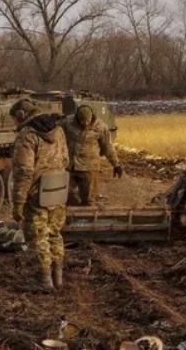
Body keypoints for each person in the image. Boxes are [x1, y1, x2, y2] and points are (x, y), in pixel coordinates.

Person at [8, 98, 70, 291]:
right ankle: (58, 278)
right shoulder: (58, 130)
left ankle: (44, 281)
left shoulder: (27, 135)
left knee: (37, 237)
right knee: (55, 233)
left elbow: (24, 172)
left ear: (21, 115)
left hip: (37, 193)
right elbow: (66, 159)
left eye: (15, 119)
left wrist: (18, 202)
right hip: (58, 188)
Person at [64, 104, 123, 206]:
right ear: (77, 118)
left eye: (88, 121)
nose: (86, 124)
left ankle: (87, 219)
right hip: (70, 167)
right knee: (66, 197)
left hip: (89, 168)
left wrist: (116, 164)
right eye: (83, 121)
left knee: (89, 200)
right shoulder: (68, 122)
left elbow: (107, 146)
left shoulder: (100, 126)